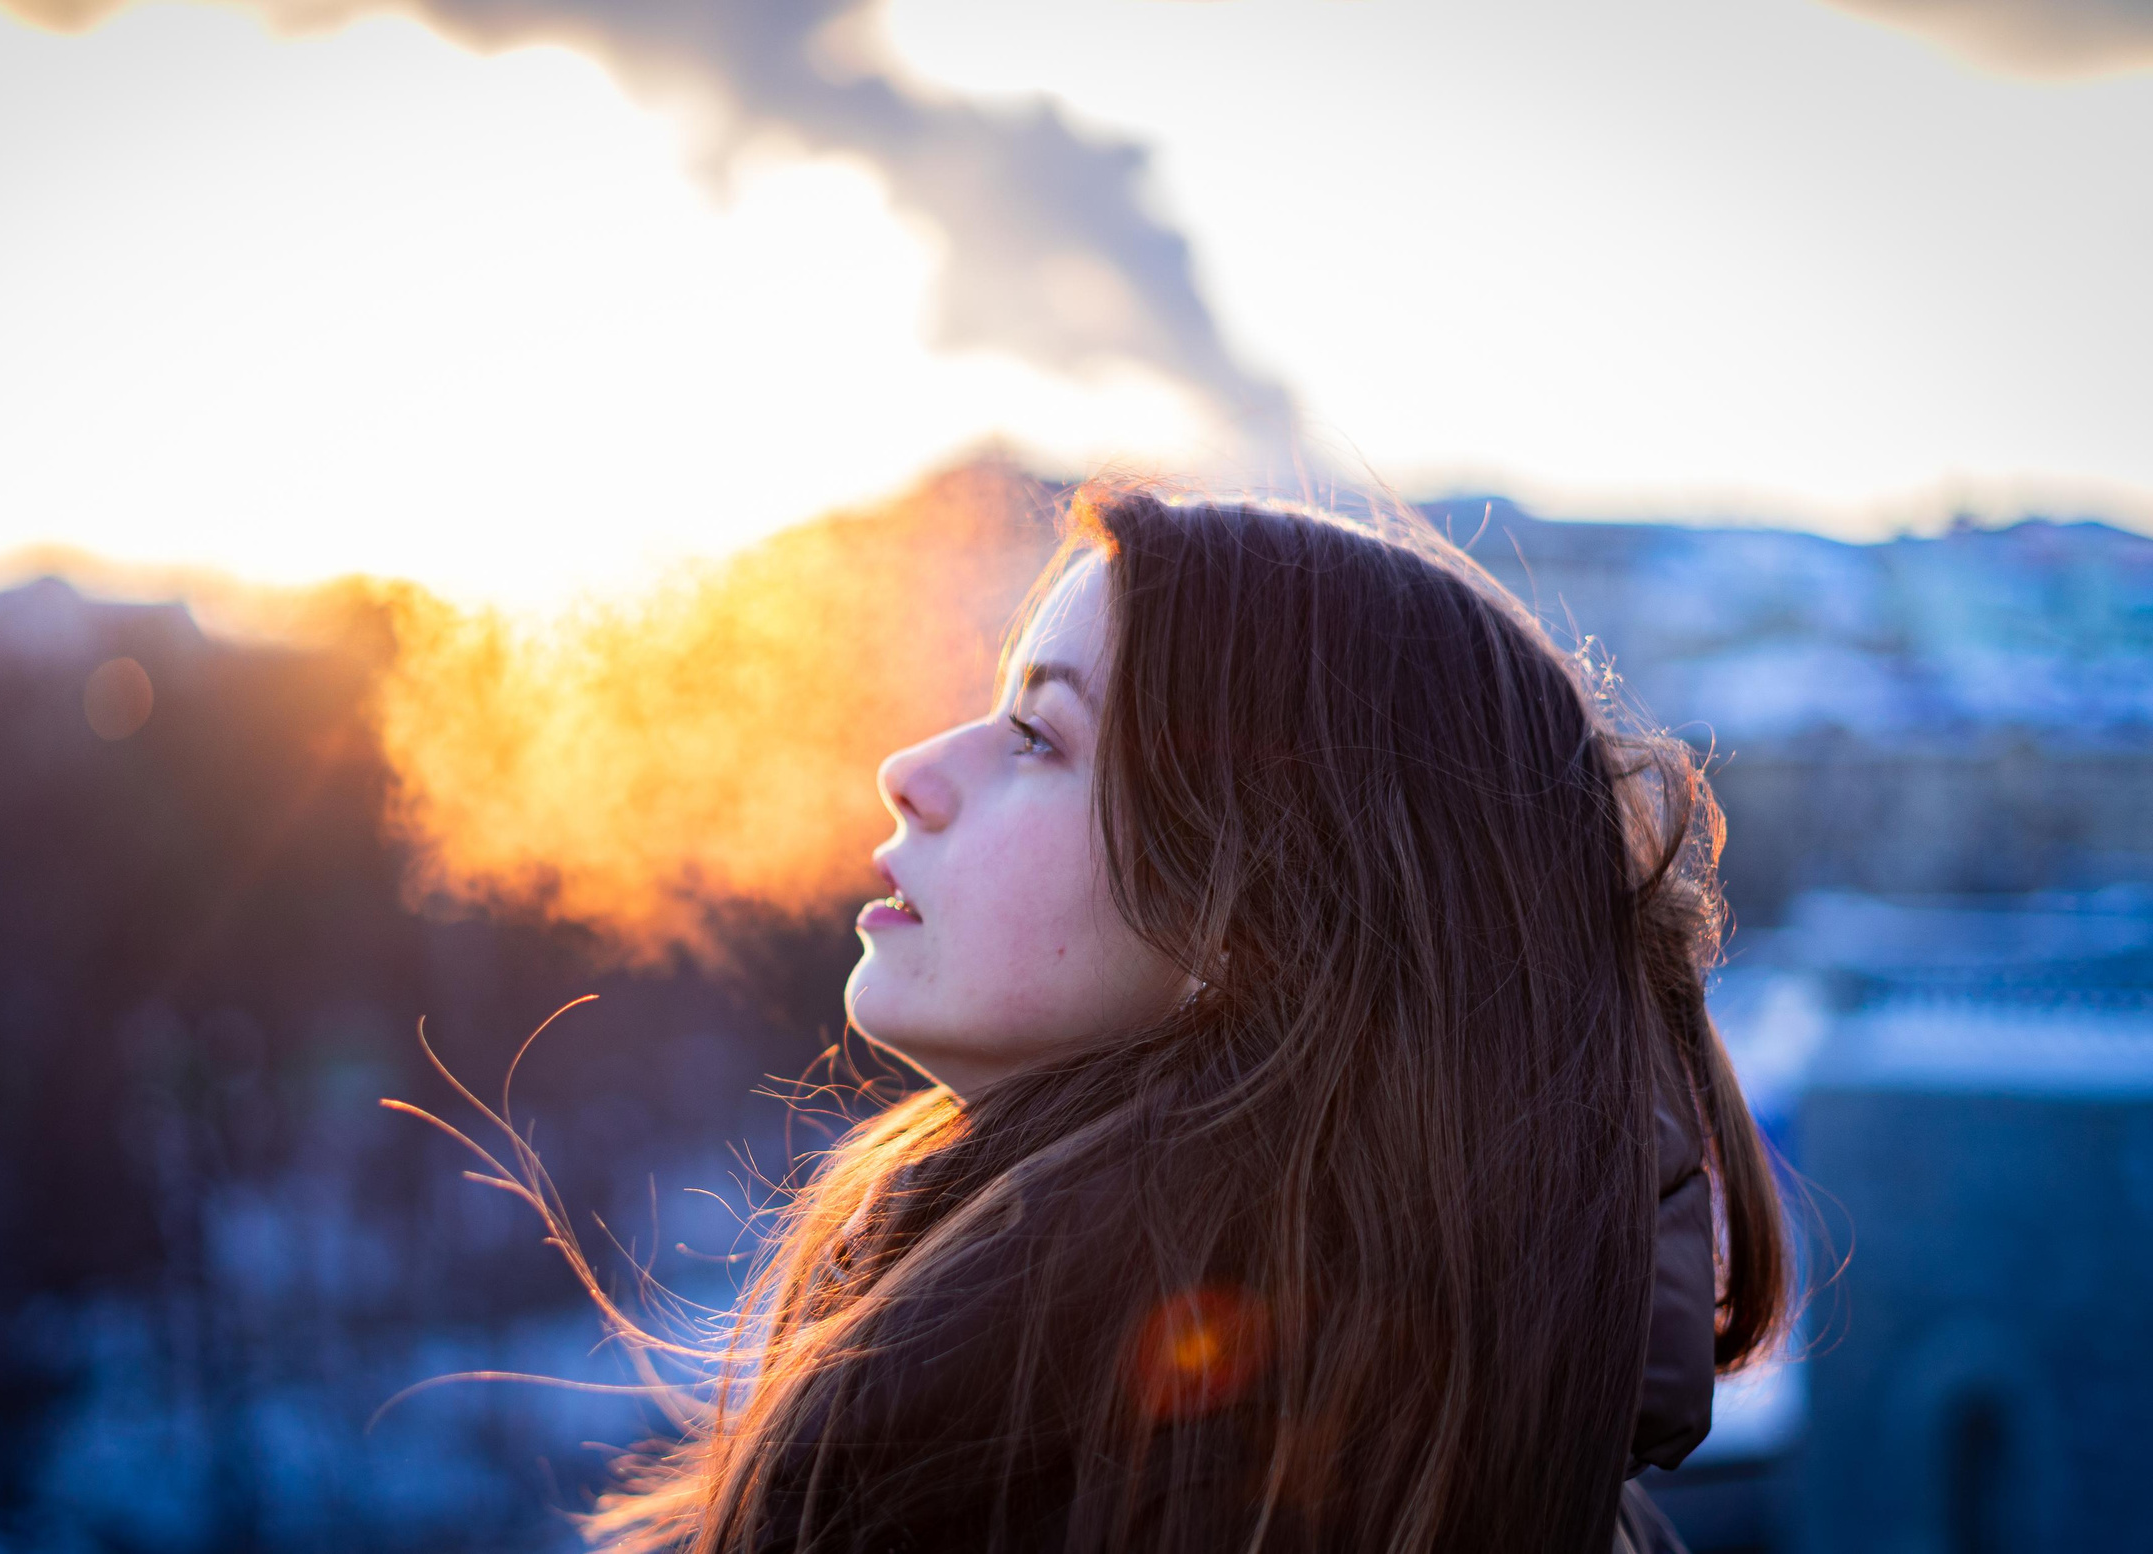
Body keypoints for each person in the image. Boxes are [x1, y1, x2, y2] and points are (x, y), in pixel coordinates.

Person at [575, 488, 1787, 1553]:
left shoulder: (1130, 1483)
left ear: (1255, 919)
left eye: (1036, 736)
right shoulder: (1458, 1461)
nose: (910, 769)